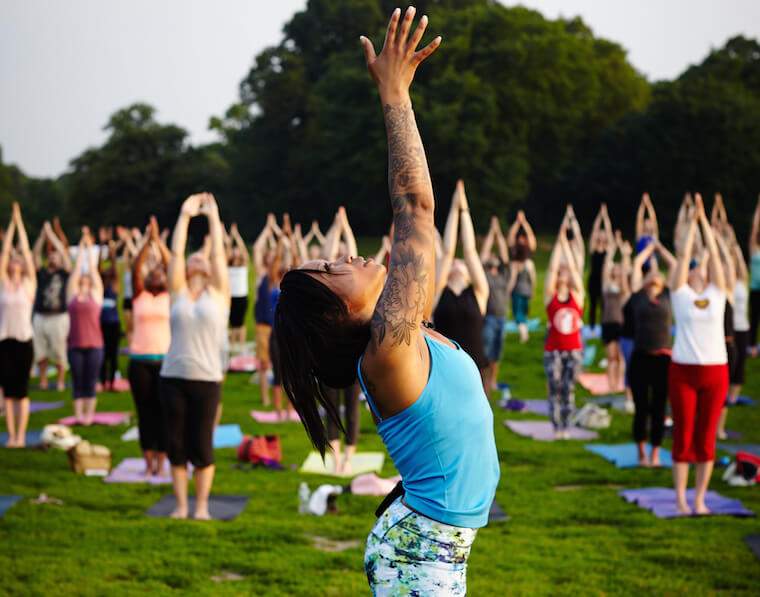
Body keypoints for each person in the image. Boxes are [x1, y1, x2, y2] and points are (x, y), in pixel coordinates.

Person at [275, 10, 499, 594]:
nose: (344, 256)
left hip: (429, 544)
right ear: (335, 314)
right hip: (421, 554)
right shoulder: (387, 352)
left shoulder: (398, 337)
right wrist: (395, 94)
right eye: (329, 270)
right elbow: (416, 210)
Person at [160, 192, 229, 520]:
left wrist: (213, 217)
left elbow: (216, 253)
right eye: (193, 258)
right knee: (175, 444)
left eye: (202, 258)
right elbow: (174, 252)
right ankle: (181, 505)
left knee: (201, 445)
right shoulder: (177, 293)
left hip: (206, 379)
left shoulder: (219, 293)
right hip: (172, 376)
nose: (198, 260)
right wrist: (185, 216)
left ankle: (201, 506)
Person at [669, 194, 729, 515]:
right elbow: (681, 260)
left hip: (715, 372)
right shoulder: (681, 296)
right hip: (684, 372)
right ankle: (680, 498)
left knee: (707, 439)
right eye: (693, 269)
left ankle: (700, 499)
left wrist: (706, 224)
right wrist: (691, 227)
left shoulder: (717, 294)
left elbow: (717, 260)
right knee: (684, 435)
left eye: (700, 269)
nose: (697, 272)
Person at [433, 180, 490, 385]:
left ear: (469, 273)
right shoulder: (438, 293)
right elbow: (448, 251)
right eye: (453, 263)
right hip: (445, 370)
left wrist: (463, 208)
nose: (457, 262)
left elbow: (469, 250)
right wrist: (453, 209)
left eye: (462, 263)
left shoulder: (479, 293)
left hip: (476, 370)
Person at [627, 239, 677, 466]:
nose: (654, 275)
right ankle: (640, 452)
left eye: (658, 273)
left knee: (659, 407)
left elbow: (675, 265)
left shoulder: (669, 295)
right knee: (641, 407)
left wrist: (661, 248)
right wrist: (649, 249)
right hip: (640, 357)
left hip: (663, 359)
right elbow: (637, 262)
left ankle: (656, 453)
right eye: (651, 273)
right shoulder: (638, 296)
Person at [129, 216, 171, 476]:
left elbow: (171, 263)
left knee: (164, 414)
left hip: (165, 361)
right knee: (145, 414)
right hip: (140, 361)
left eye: (160, 270)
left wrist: (158, 241)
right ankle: (148, 463)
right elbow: (136, 267)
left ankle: (161, 461)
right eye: (151, 270)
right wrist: (147, 242)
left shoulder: (171, 295)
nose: (156, 270)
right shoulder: (138, 294)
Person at [543, 219, 585, 438]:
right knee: (555, 387)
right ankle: (556, 425)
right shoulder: (551, 298)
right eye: (561, 272)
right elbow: (550, 269)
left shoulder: (576, 297)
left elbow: (577, 276)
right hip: (553, 350)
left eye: (565, 272)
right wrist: (559, 244)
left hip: (573, 350)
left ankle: (566, 425)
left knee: (569, 388)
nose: (563, 274)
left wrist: (567, 249)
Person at [0, 203, 36, 447]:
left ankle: (21, 436)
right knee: (7, 391)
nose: (14, 261)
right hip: (4, 341)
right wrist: (10, 227)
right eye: (12, 260)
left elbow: (27, 252)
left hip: (24, 342)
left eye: (18, 259)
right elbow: (4, 254)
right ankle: (11, 436)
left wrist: (19, 222)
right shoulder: (3, 284)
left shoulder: (28, 285)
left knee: (21, 392)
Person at [66, 229, 105, 425]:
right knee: (77, 380)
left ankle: (89, 416)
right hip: (75, 344)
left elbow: (93, 271)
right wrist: (81, 249)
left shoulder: (95, 296)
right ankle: (78, 415)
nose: (84, 280)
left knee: (90, 381)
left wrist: (90, 249)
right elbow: (75, 274)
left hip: (94, 344)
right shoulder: (72, 297)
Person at [31, 221, 71, 392]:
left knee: (59, 350)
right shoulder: (41, 273)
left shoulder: (64, 274)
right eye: (51, 256)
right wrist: (42, 236)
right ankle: (43, 380)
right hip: (40, 316)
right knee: (40, 351)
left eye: (56, 256)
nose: (54, 257)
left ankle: (61, 381)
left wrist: (52, 237)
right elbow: (34, 255)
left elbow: (63, 251)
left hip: (58, 316)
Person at [479, 216, 510, 391]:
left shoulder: (503, 274)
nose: (492, 256)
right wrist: (492, 233)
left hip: (502, 318)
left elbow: (505, 254)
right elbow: (483, 254)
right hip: (489, 318)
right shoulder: (484, 274)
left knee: (497, 353)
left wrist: (499, 235)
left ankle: (492, 381)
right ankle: (484, 383)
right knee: (487, 350)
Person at [600, 231, 631, 393]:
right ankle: (611, 385)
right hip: (608, 323)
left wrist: (625, 255)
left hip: (621, 323)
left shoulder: (624, 287)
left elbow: (626, 271)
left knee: (620, 358)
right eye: (616, 268)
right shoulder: (607, 285)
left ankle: (618, 384)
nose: (617, 270)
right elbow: (606, 267)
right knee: (611, 357)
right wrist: (613, 249)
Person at [507, 210, 536, 343]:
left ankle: (524, 335)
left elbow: (529, 237)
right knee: (522, 313)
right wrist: (520, 222)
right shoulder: (528, 263)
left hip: (518, 292)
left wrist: (522, 222)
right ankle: (524, 332)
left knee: (518, 314)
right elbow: (511, 236)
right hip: (526, 291)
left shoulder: (516, 263)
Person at [97, 231, 121, 392]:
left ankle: (111, 383)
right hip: (101, 323)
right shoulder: (99, 286)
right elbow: (98, 267)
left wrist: (111, 251)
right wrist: (101, 247)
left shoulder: (114, 285)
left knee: (113, 355)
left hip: (113, 324)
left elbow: (113, 266)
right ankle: (102, 381)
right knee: (103, 355)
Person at [587, 204, 614, 329]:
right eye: (600, 234)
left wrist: (606, 216)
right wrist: (600, 216)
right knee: (592, 304)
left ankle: (603, 326)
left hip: (604, 281)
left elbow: (609, 231)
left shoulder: (608, 250)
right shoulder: (593, 248)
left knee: (604, 304)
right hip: (593, 280)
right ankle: (592, 327)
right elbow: (594, 229)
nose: (602, 236)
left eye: (604, 235)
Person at [226, 222, 250, 347]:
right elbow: (228, 248)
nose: (235, 252)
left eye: (237, 251)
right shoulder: (228, 265)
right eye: (234, 251)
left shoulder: (243, 265)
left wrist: (237, 236)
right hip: (230, 297)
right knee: (231, 322)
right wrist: (231, 236)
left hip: (241, 296)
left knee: (240, 323)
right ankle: (232, 346)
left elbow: (244, 250)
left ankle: (240, 346)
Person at [748, 197, 760, 356]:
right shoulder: (753, 250)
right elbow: (754, 228)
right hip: (755, 289)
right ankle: (751, 346)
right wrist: (758, 209)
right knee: (754, 318)